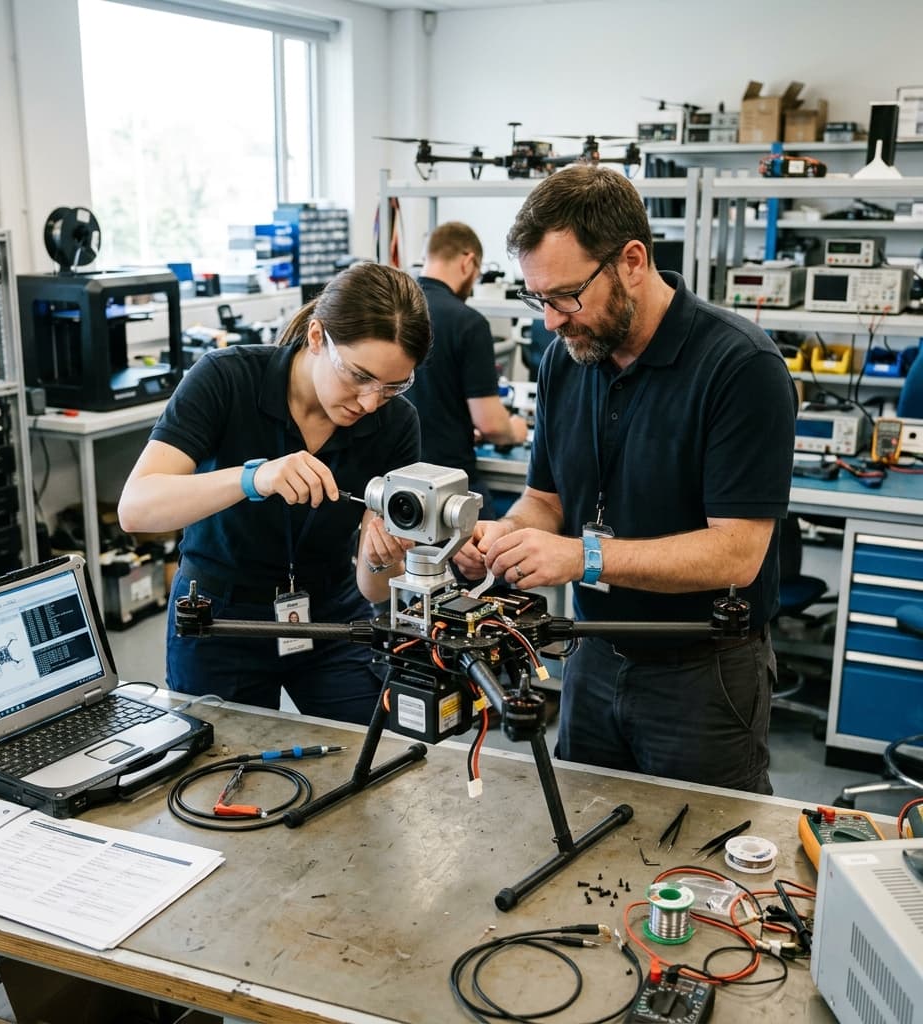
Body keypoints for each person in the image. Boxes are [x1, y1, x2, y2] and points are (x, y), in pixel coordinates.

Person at [453, 165, 797, 794]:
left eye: (564, 296)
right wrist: (500, 540)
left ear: (633, 260)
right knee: (581, 848)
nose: (552, 320)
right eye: (539, 299)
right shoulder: (567, 359)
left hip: (703, 672)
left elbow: (738, 553)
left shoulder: (741, 366)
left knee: (700, 866)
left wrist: (582, 557)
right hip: (591, 655)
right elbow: (544, 500)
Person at [118, 261, 431, 726]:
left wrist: (381, 557)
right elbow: (135, 508)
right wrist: (252, 479)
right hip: (221, 617)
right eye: (359, 376)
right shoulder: (225, 378)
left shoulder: (396, 423)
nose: (369, 402)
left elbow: (375, 588)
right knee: (218, 775)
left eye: (390, 387)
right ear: (317, 336)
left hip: (329, 612)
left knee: (374, 756)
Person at [407, 221, 528, 518]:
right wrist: (515, 430)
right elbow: (491, 426)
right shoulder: (467, 322)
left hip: (396, 481)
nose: (473, 283)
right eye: (476, 275)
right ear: (468, 261)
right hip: (448, 488)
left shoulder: (396, 311)